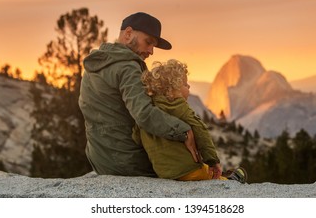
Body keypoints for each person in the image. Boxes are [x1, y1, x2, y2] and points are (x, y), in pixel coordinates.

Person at [78, 12, 198, 176]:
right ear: (128, 34)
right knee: (188, 161)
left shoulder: (95, 64)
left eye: (153, 46)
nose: (151, 51)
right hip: (128, 162)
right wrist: (183, 131)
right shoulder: (128, 67)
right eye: (148, 42)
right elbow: (143, 114)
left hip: (99, 160)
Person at [132, 59, 225, 180]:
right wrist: (213, 161)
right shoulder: (179, 107)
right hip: (188, 170)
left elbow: (136, 136)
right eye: (185, 84)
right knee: (216, 177)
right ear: (173, 89)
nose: (189, 86)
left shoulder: (148, 110)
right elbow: (201, 130)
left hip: (163, 173)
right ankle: (232, 179)